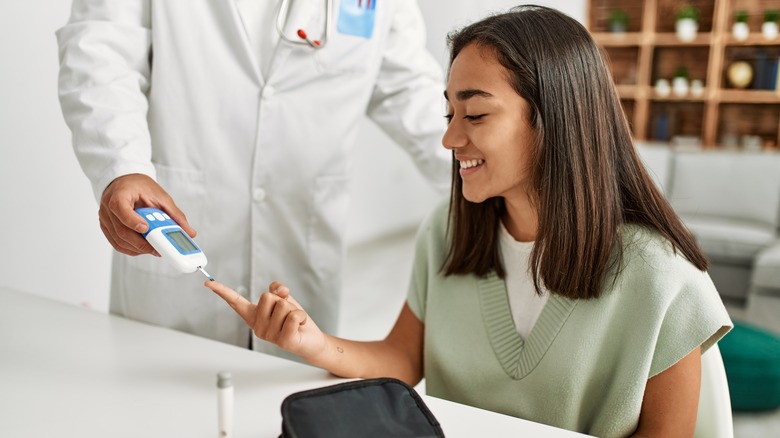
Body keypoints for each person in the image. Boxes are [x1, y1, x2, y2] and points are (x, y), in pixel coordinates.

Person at [204, 5, 734, 437]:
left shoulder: (660, 276)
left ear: (555, 118)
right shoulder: (448, 230)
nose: (450, 139)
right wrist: (310, 343)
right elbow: (402, 360)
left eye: (475, 114)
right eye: (448, 114)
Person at [56, 0, 450, 353]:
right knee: (155, 410)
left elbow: (411, 90)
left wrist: (495, 170)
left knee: (286, 412)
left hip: (299, 250)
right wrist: (123, 167)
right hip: (174, 249)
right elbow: (101, 51)